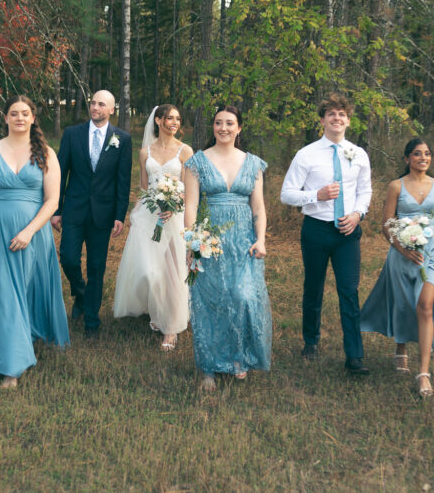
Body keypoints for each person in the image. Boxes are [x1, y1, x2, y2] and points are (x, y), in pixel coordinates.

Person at [0, 95, 69, 388]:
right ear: (6, 118)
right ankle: (11, 367)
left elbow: (52, 202)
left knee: (24, 290)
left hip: (33, 234)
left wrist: (29, 231)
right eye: (14, 113)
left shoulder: (47, 153)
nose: (20, 118)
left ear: (33, 117)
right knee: (2, 293)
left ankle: (16, 338)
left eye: (25, 113)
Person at [280, 93, 373, 375]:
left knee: (349, 291)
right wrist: (316, 195)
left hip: (347, 231)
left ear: (348, 120)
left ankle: (354, 356)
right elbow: (286, 194)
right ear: (322, 120)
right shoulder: (306, 154)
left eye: (342, 114)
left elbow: (365, 191)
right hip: (316, 230)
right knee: (314, 286)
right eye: (331, 113)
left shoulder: (358, 154)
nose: (337, 118)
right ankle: (311, 340)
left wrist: (358, 215)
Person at [183, 105, 271, 390]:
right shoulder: (197, 162)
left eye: (229, 123)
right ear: (213, 127)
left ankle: (239, 358)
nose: (223, 128)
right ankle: (209, 366)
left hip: (244, 240)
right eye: (218, 123)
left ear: (239, 128)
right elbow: (192, 205)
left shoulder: (253, 163)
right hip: (210, 240)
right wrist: (193, 242)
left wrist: (261, 238)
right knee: (211, 301)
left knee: (243, 296)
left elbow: (258, 204)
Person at [360, 138, 434, 397]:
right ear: (407, 159)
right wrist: (403, 249)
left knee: (425, 306)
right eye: (417, 154)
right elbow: (386, 225)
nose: (423, 158)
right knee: (404, 304)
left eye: (427, 153)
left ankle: (423, 373)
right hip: (402, 256)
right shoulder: (395, 187)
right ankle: (400, 346)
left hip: (429, 257)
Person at [51, 90, 133, 339]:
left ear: (111, 110)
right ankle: (80, 291)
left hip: (103, 213)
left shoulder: (123, 139)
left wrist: (120, 215)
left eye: (101, 104)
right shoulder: (72, 134)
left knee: (97, 266)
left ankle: (92, 321)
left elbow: (123, 180)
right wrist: (56, 209)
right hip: (74, 209)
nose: (95, 107)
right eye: (93, 102)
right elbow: (60, 172)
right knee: (68, 258)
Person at [113, 104, 193, 350]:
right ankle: (157, 311)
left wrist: (175, 203)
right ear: (158, 120)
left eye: (178, 119)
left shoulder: (185, 151)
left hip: (174, 217)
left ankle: (171, 327)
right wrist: (135, 212)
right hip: (149, 216)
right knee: (149, 271)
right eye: (170, 118)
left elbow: (190, 189)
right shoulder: (145, 151)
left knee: (173, 272)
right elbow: (144, 187)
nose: (174, 123)